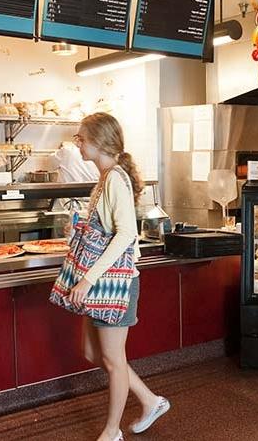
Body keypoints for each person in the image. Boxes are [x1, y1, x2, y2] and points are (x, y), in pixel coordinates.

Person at [68, 113, 170, 441]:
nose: (77, 142)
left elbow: (127, 234)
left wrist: (86, 279)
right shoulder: (104, 177)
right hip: (101, 281)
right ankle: (150, 401)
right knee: (92, 352)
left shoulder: (114, 179)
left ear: (99, 142)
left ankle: (112, 432)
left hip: (116, 283)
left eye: (81, 138)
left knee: (113, 360)